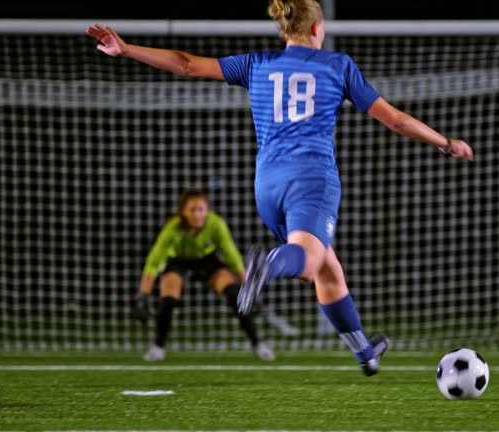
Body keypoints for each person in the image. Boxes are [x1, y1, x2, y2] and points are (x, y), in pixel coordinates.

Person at [86, 0, 473, 376]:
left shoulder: (257, 64)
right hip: (312, 179)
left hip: (267, 184)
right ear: (318, 28)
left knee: (327, 269)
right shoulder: (338, 65)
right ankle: (266, 264)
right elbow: (395, 121)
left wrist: (126, 48)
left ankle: (366, 354)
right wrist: (446, 142)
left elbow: (186, 65)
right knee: (307, 263)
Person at [134, 187, 275, 362]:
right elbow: (154, 261)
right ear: (183, 211)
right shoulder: (173, 228)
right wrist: (143, 294)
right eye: (192, 210)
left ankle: (257, 344)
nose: (197, 214)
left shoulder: (216, 224)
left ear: (207, 210)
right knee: (168, 298)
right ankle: (158, 347)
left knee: (234, 295)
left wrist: (248, 288)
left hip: (206, 260)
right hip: (178, 260)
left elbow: (232, 256)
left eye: (201, 209)